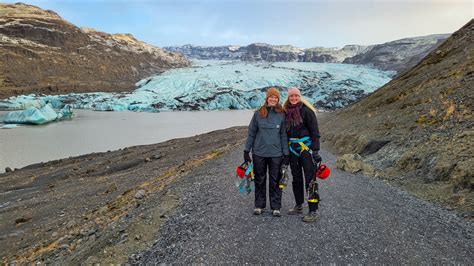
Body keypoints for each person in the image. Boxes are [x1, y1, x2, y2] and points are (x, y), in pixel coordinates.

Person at [244, 87, 289, 217]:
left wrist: (286, 153)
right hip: (259, 153)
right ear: (267, 98)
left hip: (276, 154)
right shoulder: (258, 114)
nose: (273, 99)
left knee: (275, 180)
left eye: (276, 97)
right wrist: (246, 151)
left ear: (278, 99)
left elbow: (283, 135)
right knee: (259, 179)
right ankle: (259, 205)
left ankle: (276, 207)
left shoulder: (281, 115)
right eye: (271, 97)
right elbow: (251, 133)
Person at [283, 87, 322, 223]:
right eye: (291, 96)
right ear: (288, 98)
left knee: (310, 180)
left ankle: (313, 210)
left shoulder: (307, 112)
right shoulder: (286, 113)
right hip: (293, 150)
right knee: (297, 179)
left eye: (296, 96)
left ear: (300, 97)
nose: (294, 98)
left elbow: (315, 132)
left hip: (306, 150)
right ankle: (298, 205)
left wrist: (316, 151)